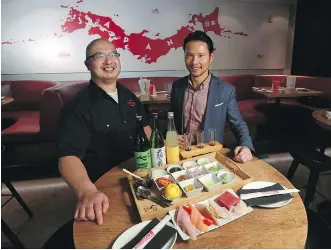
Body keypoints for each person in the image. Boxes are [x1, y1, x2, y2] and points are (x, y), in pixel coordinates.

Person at [57, 38, 152, 226]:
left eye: (113, 54)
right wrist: (87, 191)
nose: (109, 61)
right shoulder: (78, 106)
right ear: (88, 64)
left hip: (138, 175)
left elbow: (146, 129)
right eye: (100, 56)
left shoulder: (128, 96)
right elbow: (68, 156)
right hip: (104, 185)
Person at [170, 30, 254, 163]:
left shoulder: (226, 90)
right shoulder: (177, 86)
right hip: (180, 154)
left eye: (201, 55)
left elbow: (238, 123)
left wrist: (246, 145)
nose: (194, 62)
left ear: (211, 57)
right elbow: (171, 118)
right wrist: (170, 136)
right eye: (189, 55)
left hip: (210, 155)